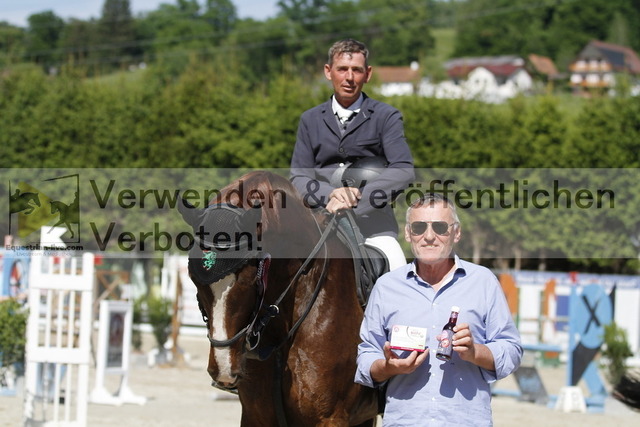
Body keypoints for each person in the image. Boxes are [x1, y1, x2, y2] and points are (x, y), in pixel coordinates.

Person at [355, 193, 522, 426]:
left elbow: (512, 350)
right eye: (419, 227)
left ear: (456, 233)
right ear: (408, 233)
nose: (429, 236)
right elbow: (366, 356)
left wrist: (475, 352)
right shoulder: (386, 287)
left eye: (440, 227)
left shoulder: (484, 282)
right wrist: (387, 367)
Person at [290, 38, 414, 271]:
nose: (349, 77)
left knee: (397, 267)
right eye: (342, 69)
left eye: (356, 70)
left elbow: (403, 170)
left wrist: (357, 199)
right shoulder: (309, 119)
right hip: (319, 221)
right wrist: (330, 195)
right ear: (328, 71)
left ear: (368, 74)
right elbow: (298, 178)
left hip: (374, 226)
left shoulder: (387, 116)